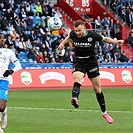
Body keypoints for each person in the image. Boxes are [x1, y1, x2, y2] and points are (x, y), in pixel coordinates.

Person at [58, 20, 124, 124]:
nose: (77, 33)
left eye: (79, 30)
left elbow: (105, 39)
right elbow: (69, 37)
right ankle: (75, 98)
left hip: (91, 62)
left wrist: (116, 42)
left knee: (97, 90)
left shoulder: (92, 35)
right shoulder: (73, 34)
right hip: (79, 61)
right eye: (76, 31)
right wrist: (62, 44)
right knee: (77, 79)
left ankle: (104, 113)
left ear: (84, 28)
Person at [0, 33, 22, 130]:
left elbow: (19, 65)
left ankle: (4, 113)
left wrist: (11, 71)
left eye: (3, 38)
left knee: (1, 107)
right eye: (1, 39)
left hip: (3, 81)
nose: (3, 40)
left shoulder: (8, 52)